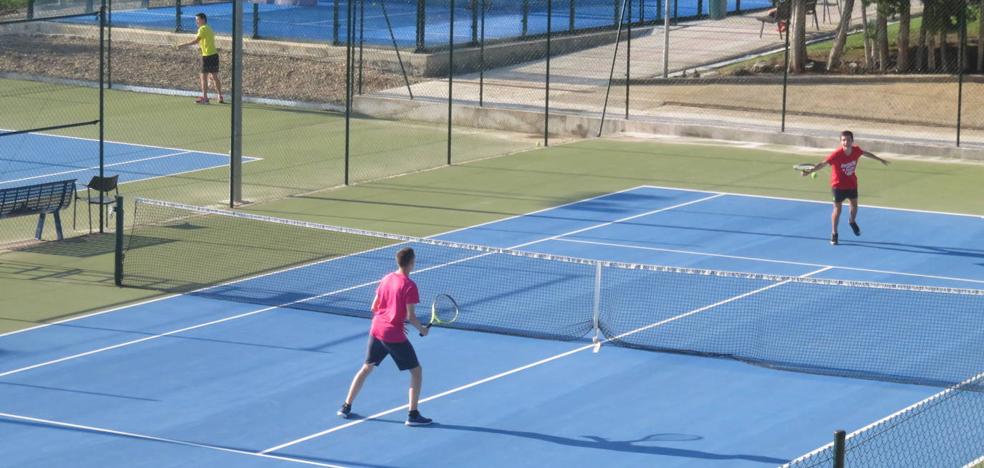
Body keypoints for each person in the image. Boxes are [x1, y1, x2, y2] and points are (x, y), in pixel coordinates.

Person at [338, 247, 433, 426]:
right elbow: (410, 317)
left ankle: (345, 406)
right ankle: (413, 415)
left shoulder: (387, 278)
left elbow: (374, 307)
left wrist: (392, 320)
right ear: (412, 263)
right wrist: (422, 330)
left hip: (376, 328)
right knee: (417, 372)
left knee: (367, 367)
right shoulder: (410, 285)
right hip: (392, 334)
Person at [802, 131, 889, 245]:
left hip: (852, 184)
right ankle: (834, 234)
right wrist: (810, 171)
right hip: (838, 186)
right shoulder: (836, 154)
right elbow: (823, 163)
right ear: (840, 141)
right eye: (843, 140)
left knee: (854, 205)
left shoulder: (856, 150)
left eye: (848, 140)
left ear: (852, 141)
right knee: (837, 210)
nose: (846, 142)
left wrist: (879, 159)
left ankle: (852, 221)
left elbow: (865, 153)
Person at [176, 13, 224, 104]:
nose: (196, 22)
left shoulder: (202, 29)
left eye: (197, 20)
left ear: (203, 20)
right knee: (214, 77)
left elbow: (196, 41)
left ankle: (205, 98)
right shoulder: (209, 28)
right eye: (196, 20)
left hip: (207, 56)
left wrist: (183, 45)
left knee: (203, 78)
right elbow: (204, 42)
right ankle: (220, 96)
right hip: (214, 55)